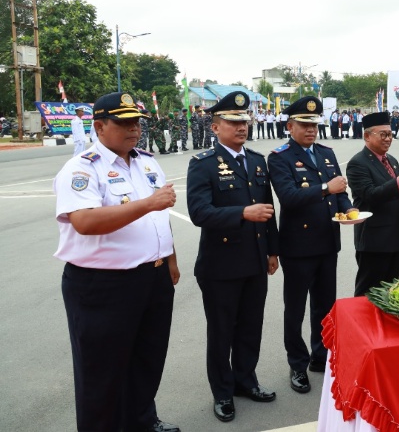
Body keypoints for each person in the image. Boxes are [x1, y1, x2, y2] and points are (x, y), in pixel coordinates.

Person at [53, 92, 181, 432]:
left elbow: (160, 218)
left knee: (147, 360)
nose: (134, 129)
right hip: (103, 285)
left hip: (152, 279)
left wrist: (169, 258)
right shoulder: (82, 167)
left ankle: (141, 421)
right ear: (99, 126)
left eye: (137, 122)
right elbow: (85, 221)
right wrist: (148, 204)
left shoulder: (146, 161)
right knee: (101, 372)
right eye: (124, 123)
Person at [186, 92, 280, 423]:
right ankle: (223, 392)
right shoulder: (203, 164)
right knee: (222, 330)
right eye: (233, 122)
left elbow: (268, 210)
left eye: (244, 121)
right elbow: (199, 212)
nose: (242, 127)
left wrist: (272, 250)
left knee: (250, 326)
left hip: (255, 260)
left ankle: (245, 380)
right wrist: (242, 212)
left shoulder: (256, 161)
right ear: (215, 127)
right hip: (221, 264)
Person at [268, 96, 354, 394]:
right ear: (290, 125)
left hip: (327, 242)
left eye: (314, 124)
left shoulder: (326, 153)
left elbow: (340, 190)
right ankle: (297, 364)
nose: (311, 130)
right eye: (304, 124)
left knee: (325, 306)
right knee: (295, 308)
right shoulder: (280, 157)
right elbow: (289, 197)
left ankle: (322, 355)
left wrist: (349, 209)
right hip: (298, 246)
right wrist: (324, 189)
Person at [346, 111, 399, 296]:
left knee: (391, 292)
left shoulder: (391, 160)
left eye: (390, 134)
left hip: (395, 240)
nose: (388, 139)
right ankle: (362, 325)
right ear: (367, 136)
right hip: (373, 241)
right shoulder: (358, 163)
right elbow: (369, 195)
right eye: (383, 134)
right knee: (367, 293)